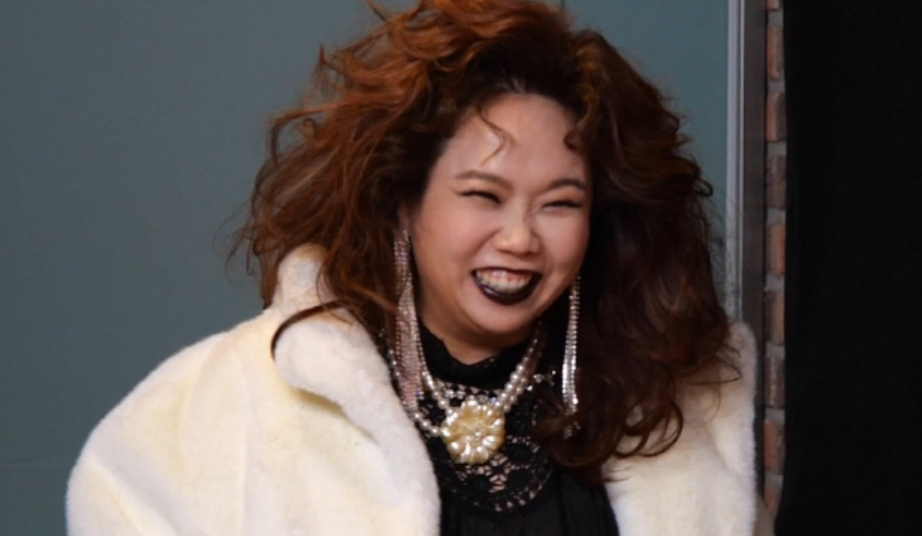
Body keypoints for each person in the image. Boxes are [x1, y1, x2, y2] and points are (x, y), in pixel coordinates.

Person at [67, 0, 771, 534]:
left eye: (560, 204)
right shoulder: (229, 405)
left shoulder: (672, 401)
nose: (519, 239)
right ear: (404, 202)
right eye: (483, 196)